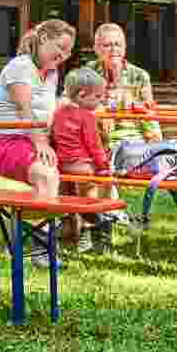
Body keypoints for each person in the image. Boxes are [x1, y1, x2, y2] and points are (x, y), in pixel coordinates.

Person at [0, 18, 76, 268]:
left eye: (68, 51)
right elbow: (24, 111)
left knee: (81, 169)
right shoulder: (20, 67)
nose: (64, 55)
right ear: (44, 39)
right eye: (61, 47)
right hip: (8, 141)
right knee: (46, 175)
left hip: (35, 140)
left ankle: (85, 232)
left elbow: (47, 111)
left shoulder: (52, 73)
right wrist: (41, 144)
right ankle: (40, 249)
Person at [85, 22, 163, 170]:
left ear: (125, 47)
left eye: (118, 44)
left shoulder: (139, 76)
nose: (114, 49)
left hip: (130, 140)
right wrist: (96, 111)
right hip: (96, 139)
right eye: (107, 45)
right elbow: (70, 104)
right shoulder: (87, 73)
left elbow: (149, 115)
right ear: (96, 49)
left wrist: (157, 146)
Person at [50, 67, 111, 252]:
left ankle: (68, 232)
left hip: (61, 167)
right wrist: (103, 166)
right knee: (89, 199)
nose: (100, 101)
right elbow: (95, 146)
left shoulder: (58, 114)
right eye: (98, 97)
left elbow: (54, 138)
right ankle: (96, 229)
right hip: (83, 167)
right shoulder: (87, 117)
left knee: (67, 199)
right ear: (82, 95)